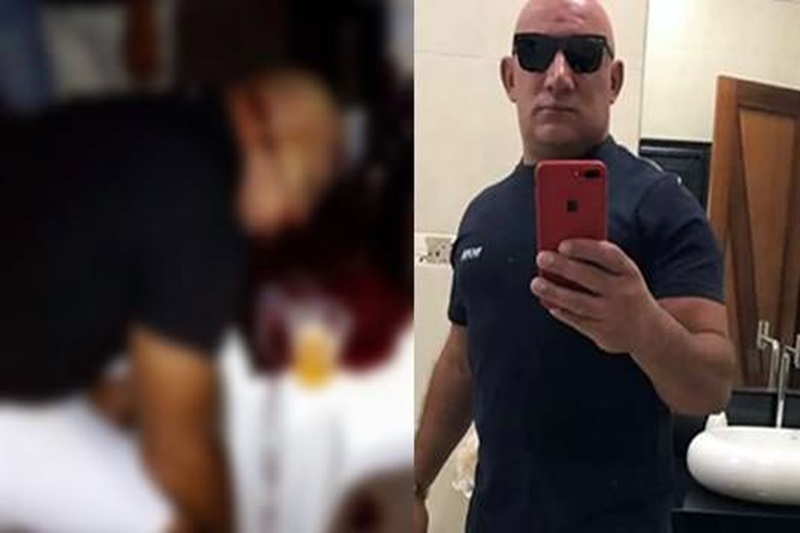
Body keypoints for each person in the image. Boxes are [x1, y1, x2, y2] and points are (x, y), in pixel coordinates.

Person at [414, 0, 736, 531]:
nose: (559, 76)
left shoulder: (663, 207)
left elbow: (710, 387)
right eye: (535, 52)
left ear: (614, 80)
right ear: (510, 76)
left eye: (584, 55)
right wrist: (416, 482)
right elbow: (461, 364)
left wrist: (643, 329)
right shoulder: (482, 216)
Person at [0, 69, 340, 532]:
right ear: (266, 137)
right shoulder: (201, 210)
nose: (296, 218)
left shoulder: (164, 117)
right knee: (171, 517)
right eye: (308, 189)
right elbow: (176, 459)